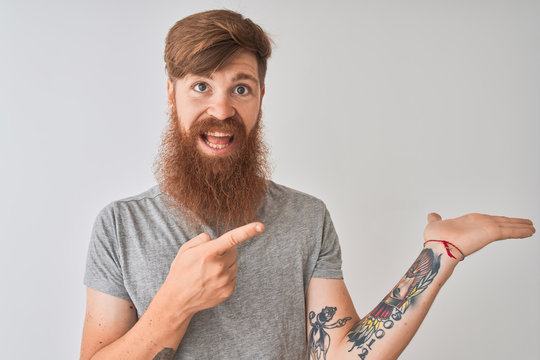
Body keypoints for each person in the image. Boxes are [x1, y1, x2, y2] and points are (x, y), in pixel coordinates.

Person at [80, 9, 536, 360]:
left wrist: (435, 259)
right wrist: (173, 305)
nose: (221, 110)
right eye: (201, 86)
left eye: (241, 88)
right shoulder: (121, 227)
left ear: (261, 96)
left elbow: (340, 354)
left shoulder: (306, 218)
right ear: (171, 94)